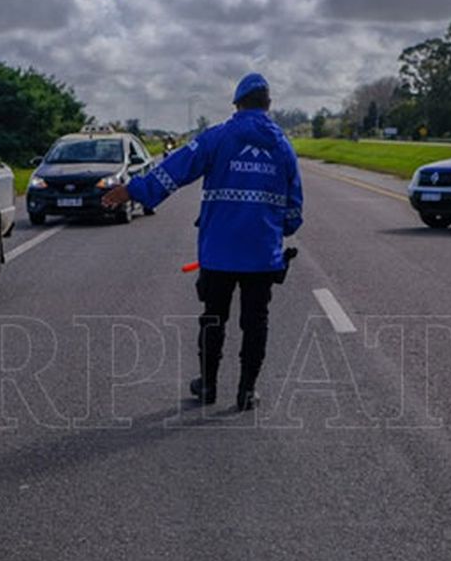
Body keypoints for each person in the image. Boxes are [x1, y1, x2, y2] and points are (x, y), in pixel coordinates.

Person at [101, 73, 303, 410]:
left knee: (213, 317)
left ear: (237, 105)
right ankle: (247, 391)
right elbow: (294, 210)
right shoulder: (283, 148)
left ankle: (208, 386)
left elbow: (174, 170)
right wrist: (277, 227)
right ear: (268, 105)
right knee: (256, 322)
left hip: (219, 252)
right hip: (261, 255)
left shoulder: (218, 137)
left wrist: (133, 191)